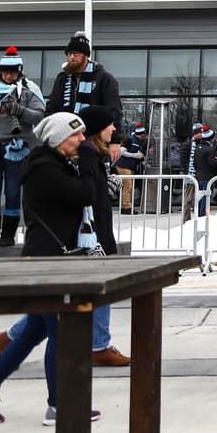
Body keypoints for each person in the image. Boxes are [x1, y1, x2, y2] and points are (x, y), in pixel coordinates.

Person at [0, 112, 102, 427]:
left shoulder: (56, 165)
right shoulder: (44, 169)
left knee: (33, 332)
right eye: (76, 135)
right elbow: (86, 193)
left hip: (52, 259)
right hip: (47, 262)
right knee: (60, 331)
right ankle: (60, 404)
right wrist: (89, 161)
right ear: (57, 139)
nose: (82, 141)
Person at [77, 106, 130, 367]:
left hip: (99, 229)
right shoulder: (88, 152)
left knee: (92, 292)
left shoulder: (96, 154)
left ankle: (12, 336)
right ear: (98, 128)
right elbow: (87, 196)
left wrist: (108, 181)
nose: (114, 129)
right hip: (94, 234)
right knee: (99, 289)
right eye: (110, 125)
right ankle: (99, 345)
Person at [0, 46, 45, 246]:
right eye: (5, 72)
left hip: (17, 145)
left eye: (12, 72)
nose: (8, 76)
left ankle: (8, 233)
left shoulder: (29, 89)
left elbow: (39, 115)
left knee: (13, 190)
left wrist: (19, 110)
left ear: (19, 71)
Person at [45, 32, 121, 122]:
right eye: (69, 53)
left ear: (85, 56)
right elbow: (51, 107)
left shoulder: (104, 78)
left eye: (76, 53)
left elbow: (114, 112)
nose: (72, 57)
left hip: (93, 129)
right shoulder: (62, 79)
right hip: (65, 129)